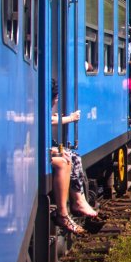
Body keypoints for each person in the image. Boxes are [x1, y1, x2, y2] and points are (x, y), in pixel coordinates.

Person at [50, 80, 97, 235]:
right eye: (56, 97)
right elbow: (49, 120)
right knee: (67, 160)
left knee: (75, 157)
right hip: (42, 150)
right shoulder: (41, 105)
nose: (57, 100)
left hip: (47, 148)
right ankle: (65, 212)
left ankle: (79, 200)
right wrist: (71, 118)